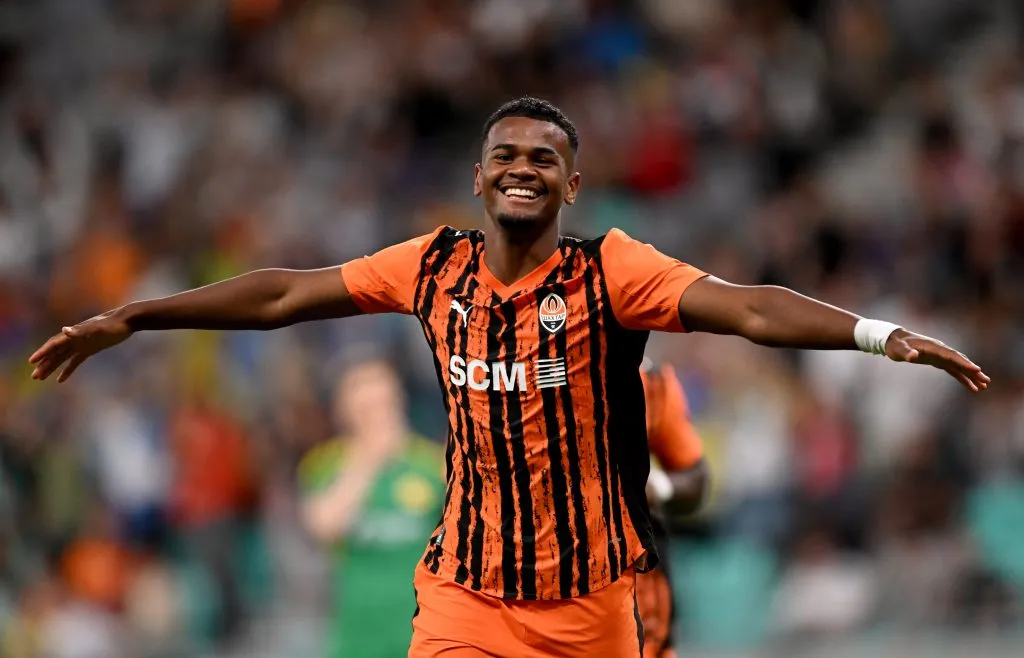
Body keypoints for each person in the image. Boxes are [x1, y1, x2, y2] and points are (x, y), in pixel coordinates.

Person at [29, 97, 989, 657]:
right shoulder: (430, 266)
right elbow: (285, 295)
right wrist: (138, 315)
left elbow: (744, 306)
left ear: (572, 186)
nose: (523, 168)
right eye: (506, 156)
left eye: (546, 158)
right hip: (464, 592)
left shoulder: (612, 272)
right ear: (481, 178)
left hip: (592, 607)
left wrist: (873, 333)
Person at [298, 359, 445, 658]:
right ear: (344, 412)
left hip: (422, 632)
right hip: (356, 635)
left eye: (384, 404)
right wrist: (369, 461)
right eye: (366, 409)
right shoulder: (326, 464)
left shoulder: (432, 464)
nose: (378, 417)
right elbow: (323, 525)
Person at [638, 357, 708, 658]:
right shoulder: (494, 371)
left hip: (635, 586)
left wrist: (658, 486)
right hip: (515, 587)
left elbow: (696, 479)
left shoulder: (649, 382)